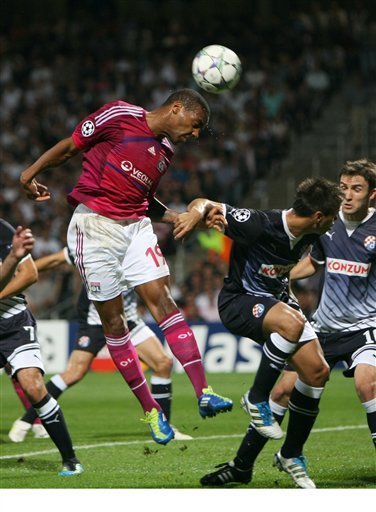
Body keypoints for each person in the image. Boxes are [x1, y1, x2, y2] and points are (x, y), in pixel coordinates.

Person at [20, 89, 232, 445]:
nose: (195, 136)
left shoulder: (165, 153)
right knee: (114, 322)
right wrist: (30, 173)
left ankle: (204, 391)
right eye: (195, 126)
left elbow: (143, 200)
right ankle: (151, 411)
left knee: (164, 301)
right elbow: (72, 145)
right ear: (177, 108)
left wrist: (173, 217)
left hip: (135, 227)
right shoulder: (119, 115)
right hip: (94, 227)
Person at [194, 160, 376, 488]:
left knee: (344, 378)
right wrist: (191, 213)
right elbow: (308, 262)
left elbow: (300, 258)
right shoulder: (305, 226)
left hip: (363, 326)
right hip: (312, 320)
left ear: (372, 194)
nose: (347, 196)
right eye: (344, 187)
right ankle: (249, 431)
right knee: (284, 385)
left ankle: (282, 453)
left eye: (356, 189)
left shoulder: (336, 228)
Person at [9, 247, 193, 442]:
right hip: (95, 321)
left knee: (163, 362)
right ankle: (25, 421)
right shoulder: (91, 242)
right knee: (73, 374)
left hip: (128, 319)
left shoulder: (139, 242)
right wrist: (22, 272)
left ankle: (163, 424)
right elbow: (55, 260)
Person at [0, 219, 83, 476]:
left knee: (33, 386)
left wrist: (14, 258)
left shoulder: (4, 231)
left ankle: (70, 460)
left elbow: (30, 274)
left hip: (12, 321)